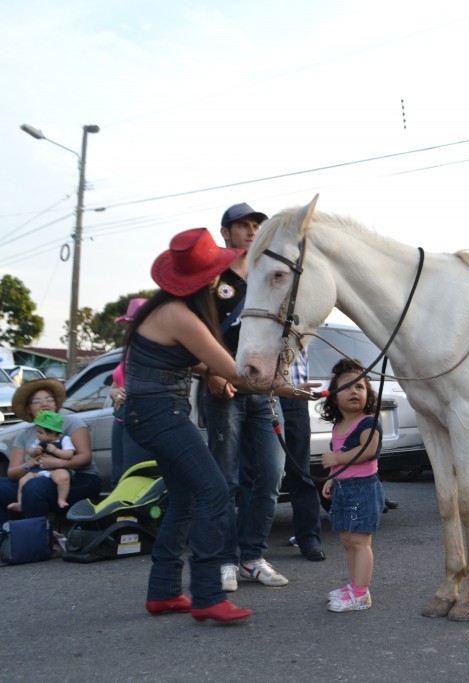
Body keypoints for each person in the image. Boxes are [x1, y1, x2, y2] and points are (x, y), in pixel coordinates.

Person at [125, 227, 316, 623]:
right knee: (213, 491)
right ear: (206, 279)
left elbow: (189, 362)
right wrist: (287, 390)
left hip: (153, 414)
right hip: (162, 414)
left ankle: (163, 592)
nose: (220, 279)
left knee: (185, 499)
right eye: (215, 274)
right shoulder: (181, 316)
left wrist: (230, 375)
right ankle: (208, 595)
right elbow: (237, 373)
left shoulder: (165, 311)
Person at [204, 202, 291, 592]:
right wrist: (210, 371)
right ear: (225, 232)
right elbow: (201, 332)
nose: (252, 230)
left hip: (265, 392)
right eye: (243, 225)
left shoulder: (269, 275)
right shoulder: (212, 278)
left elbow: (285, 329)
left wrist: (283, 372)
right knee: (226, 480)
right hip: (225, 389)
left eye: (257, 224)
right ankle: (223, 560)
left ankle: (252, 557)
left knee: (272, 476)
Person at [0, 378, 100, 547]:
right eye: (37, 401)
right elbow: (12, 473)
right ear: (29, 409)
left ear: (56, 404)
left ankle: (37, 542)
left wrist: (57, 463)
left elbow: (85, 458)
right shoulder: (24, 435)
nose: (44, 404)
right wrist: (30, 463)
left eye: (49, 399)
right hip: (39, 478)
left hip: (77, 479)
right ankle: (3, 541)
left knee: (34, 487)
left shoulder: (71, 422)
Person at [319, 359, 386, 613]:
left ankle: (361, 594)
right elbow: (339, 457)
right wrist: (332, 477)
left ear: (368, 393)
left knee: (360, 542)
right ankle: (353, 585)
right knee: (347, 540)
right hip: (344, 489)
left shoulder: (368, 422)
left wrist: (337, 459)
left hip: (363, 489)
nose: (354, 391)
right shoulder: (339, 426)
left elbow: (369, 450)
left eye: (360, 387)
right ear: (334, 397)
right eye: (347, 387)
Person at [280, 348, 326, 561]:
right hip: (259, 394)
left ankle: (309, 538)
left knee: (300, 470)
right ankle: (249, 551)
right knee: (255, 473)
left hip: (296, 395)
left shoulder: (300, 315)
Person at [108, 297, 155, 488]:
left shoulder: (154, 350)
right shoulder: (127, 351)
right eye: (129, 324)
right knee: (118, 478)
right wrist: (114, 394)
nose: (131, 328)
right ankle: (121, 518)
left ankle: (133, 517)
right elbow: (114, 384)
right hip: (120, 418)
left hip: (140, 417)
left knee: (133, 477)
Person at [8, 410, 76, 512]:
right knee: (23, 480)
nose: (37, 434)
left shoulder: (64, 440)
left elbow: (69, 454)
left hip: (56, 469)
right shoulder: (39, 442)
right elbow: (29, 451)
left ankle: (61, 499)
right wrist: (34, 451)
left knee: (64, 478)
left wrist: (56, 451)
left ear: (53, 432)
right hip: (38, 469)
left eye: (40, 432)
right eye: (37, 431)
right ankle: (21, 503)